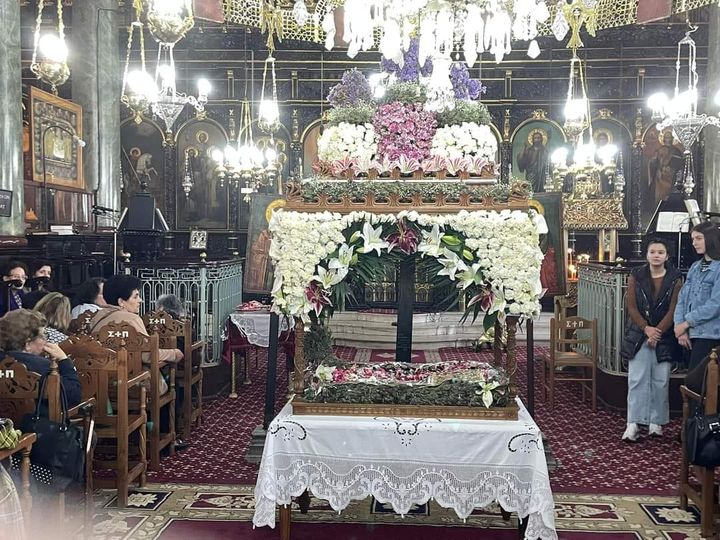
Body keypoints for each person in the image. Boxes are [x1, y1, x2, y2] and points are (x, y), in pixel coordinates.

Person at [620, 239, 682, 441]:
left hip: (664, 335)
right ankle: (633, 423)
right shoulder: (636, 275)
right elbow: (631, 306)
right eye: (652, 251)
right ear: (646, 254)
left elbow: (674, 309)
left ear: (667, 256)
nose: (656, 255)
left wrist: (658, 332)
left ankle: (656, 422)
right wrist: (646, 329)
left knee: (660, 380)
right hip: (639, 333)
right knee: (636, 379)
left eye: (660, 252)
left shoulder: (675, 278)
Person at [87, 274, 182, 367]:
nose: (140, 300)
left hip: (96, 374)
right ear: (121, 302)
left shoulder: (95, 317)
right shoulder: (132, 319)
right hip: (129, 375)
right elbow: (147, 355)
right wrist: (174, 354)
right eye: (135, 296)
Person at [0, 309, 81, 408]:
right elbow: (74, 396)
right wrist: (64, 360)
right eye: (43, 336)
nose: (46, 340)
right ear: (28, 344)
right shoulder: (43, 367)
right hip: (35, 418)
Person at [675, 222, 720, 386]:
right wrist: (680, 328)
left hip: (710, 335)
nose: (694, 243)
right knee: (692, 383)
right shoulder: (695, 267)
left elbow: (715, 305)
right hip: (690, 334)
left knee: (698, 384)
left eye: (699, 238)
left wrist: (686, 322)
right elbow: (682, 299)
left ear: (711, 238)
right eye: (693, 239)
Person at [648, 129, 684, 206]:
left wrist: (670, 169)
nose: (667, 140)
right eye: (666, 137)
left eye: (669, 137)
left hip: (671, 178)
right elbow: (654, 164)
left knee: (669, 196)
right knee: (658, 195)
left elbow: (680, 165)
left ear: (672, 139)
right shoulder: (659, 150)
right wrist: (653, 161)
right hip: (660, 178)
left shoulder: (676, 151)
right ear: (663, 139)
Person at [517, 129, 549, 193]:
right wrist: (524, 148)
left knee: (542, 188)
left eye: (539, 138)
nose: (537, 140)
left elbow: (548, 163)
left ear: (542, 139)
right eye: (535, 138)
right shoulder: (529, 150)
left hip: (542, 174)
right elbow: (521, 159)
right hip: (531, 173)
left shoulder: (544, 151)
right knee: (531, 188)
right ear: (532, 139)